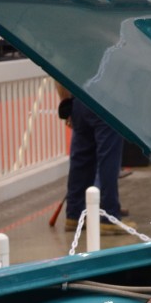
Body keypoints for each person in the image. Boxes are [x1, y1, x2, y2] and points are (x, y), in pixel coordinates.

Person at [57, 83, 126, 232]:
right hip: (107, 99)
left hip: (79, 99)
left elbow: (58, 77)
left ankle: (74, 215)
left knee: (81, 160)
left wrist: (67, 102)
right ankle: (109, 216)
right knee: (108, 160)